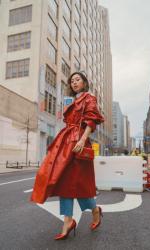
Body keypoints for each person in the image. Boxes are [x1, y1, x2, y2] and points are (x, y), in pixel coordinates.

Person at [30, 72, 105, 240]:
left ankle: (95, 210)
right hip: (66, 141)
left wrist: (82, 139)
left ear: (84, 82)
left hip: (78, 142)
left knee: (81, 185)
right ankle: (68, 220)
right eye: (72, 81)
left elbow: (91, 121)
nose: (74, 82)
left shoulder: (89, 98)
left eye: (77, 79)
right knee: (64, 181)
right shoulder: (72, 100)